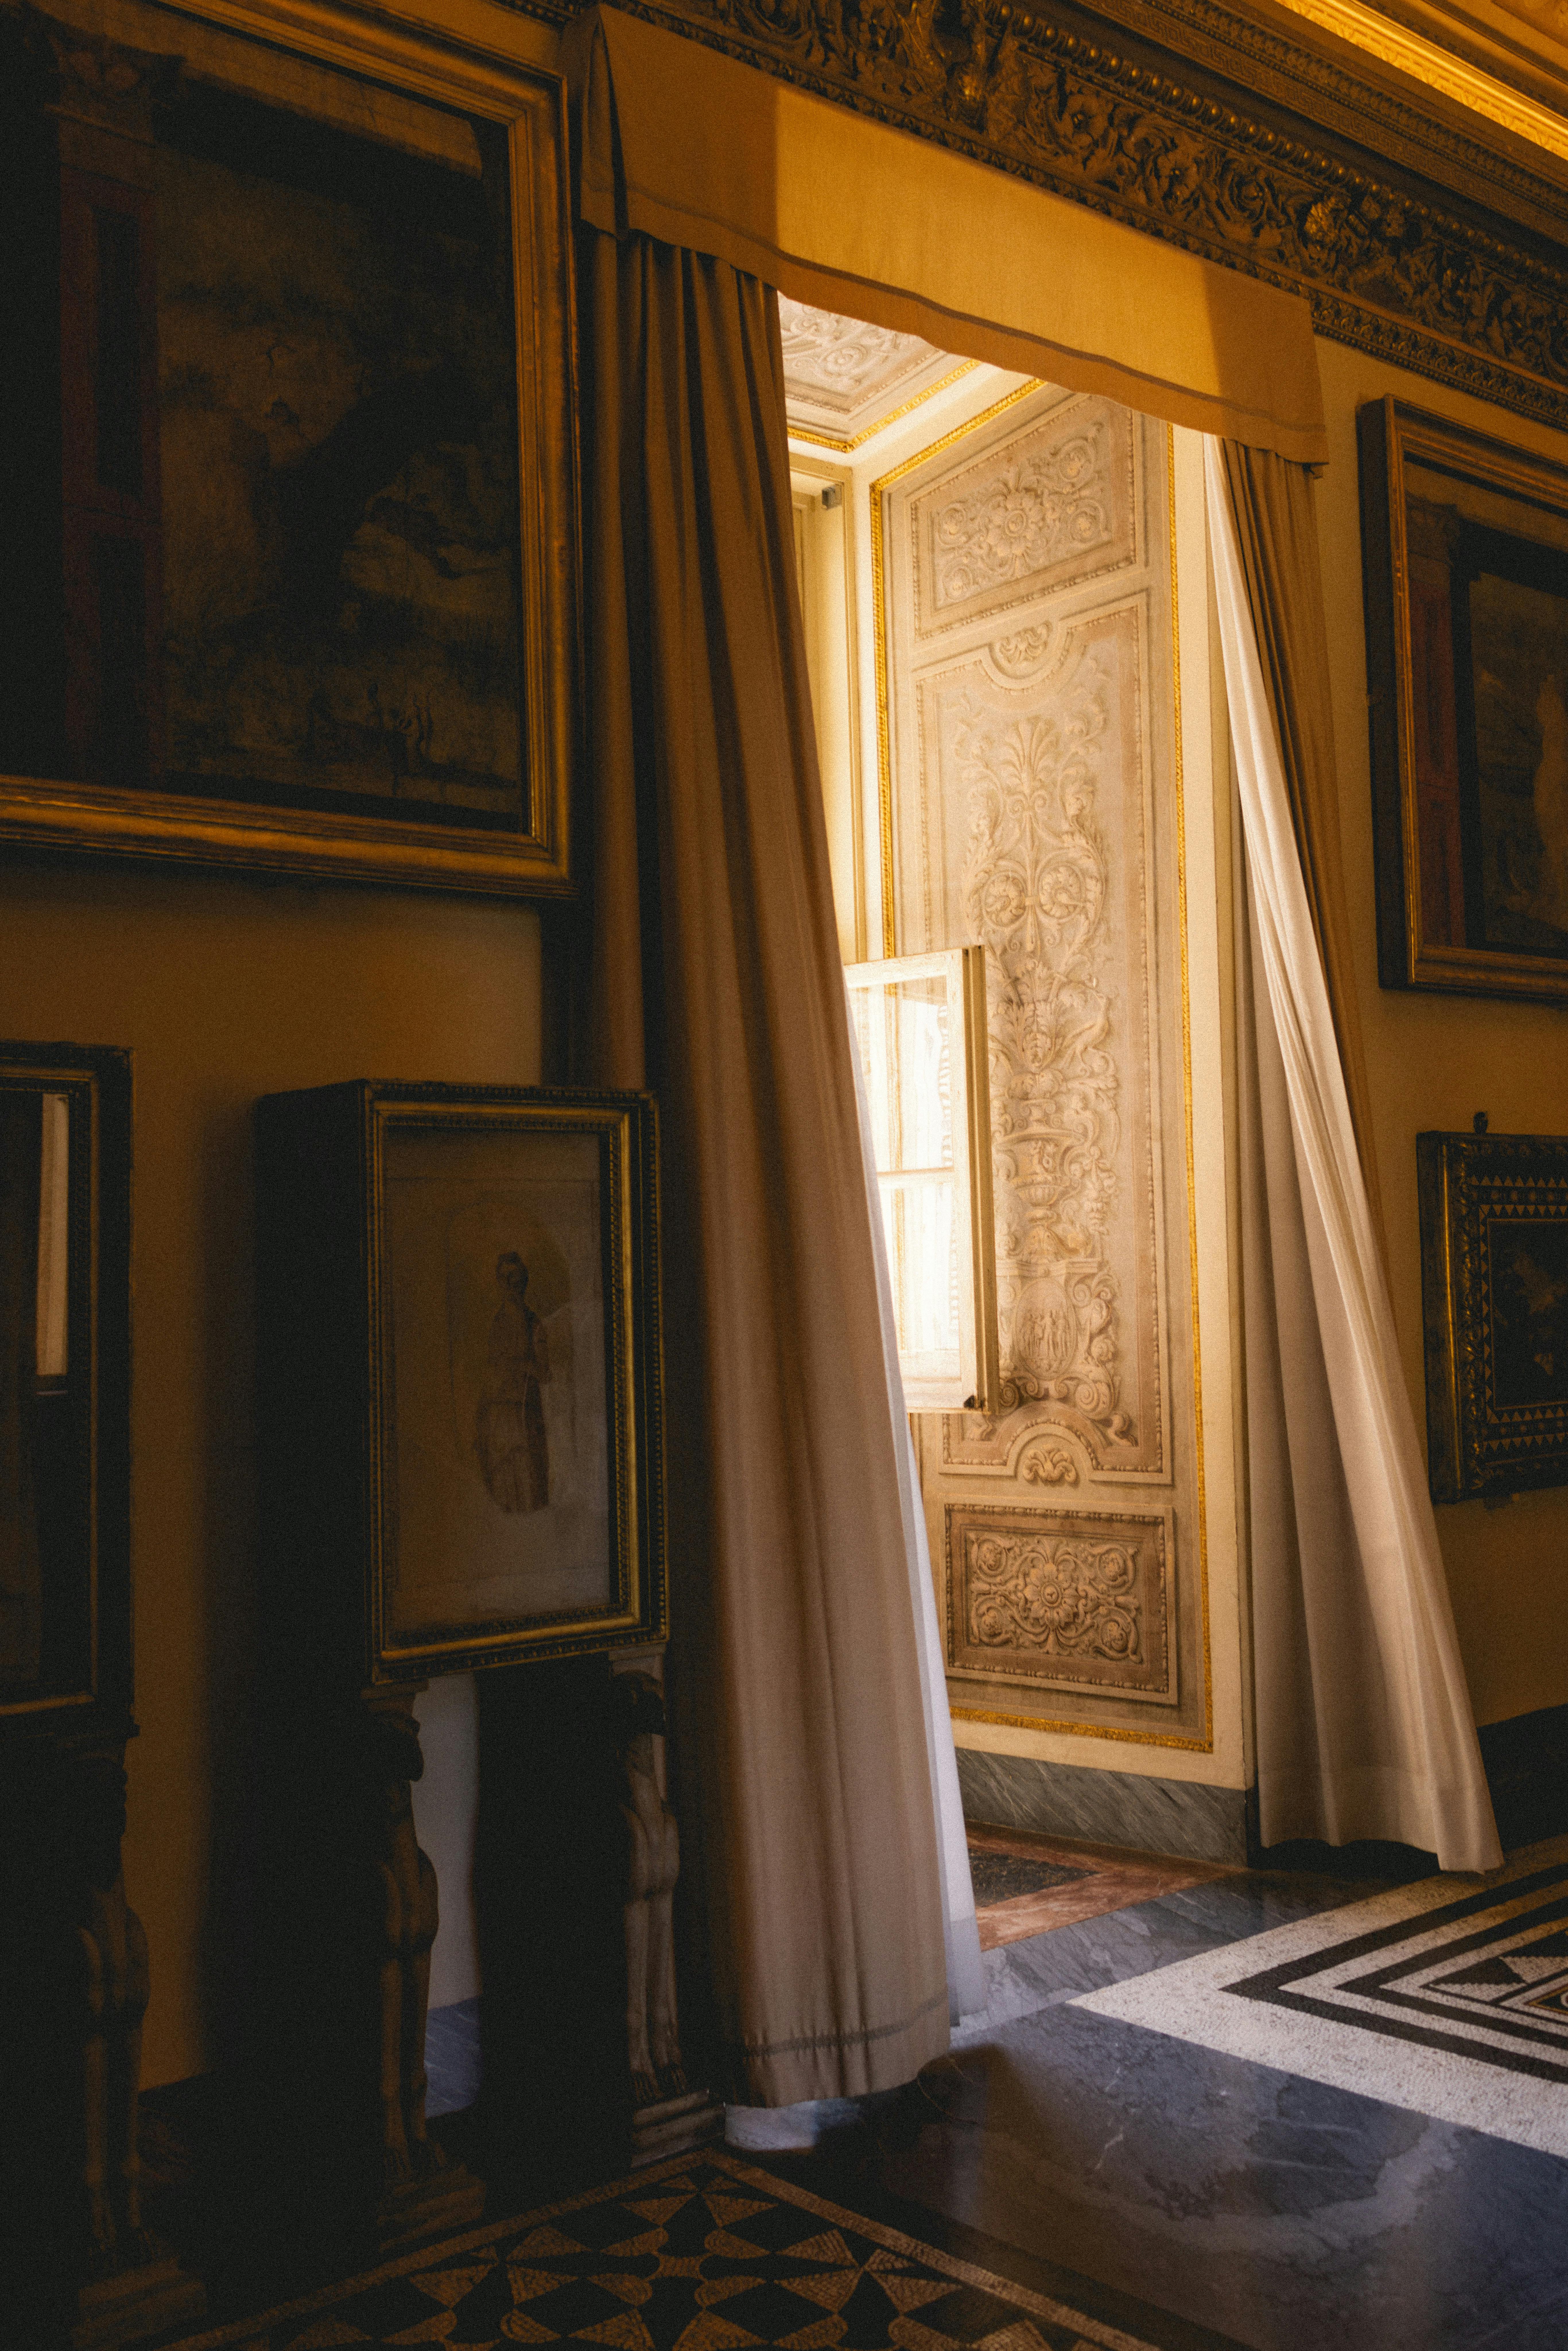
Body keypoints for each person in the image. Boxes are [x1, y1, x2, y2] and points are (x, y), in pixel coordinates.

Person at [474, 1252, 550, 1512]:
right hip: (500, 1417)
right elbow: (491, 1371)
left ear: (523, 1282)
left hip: (524, 1415)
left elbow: (545, 1373)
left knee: (528, 1487)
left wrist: (524, 1366)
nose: (511, 1284)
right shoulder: (497, 1324)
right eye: (505, 1279)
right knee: (503, 1487)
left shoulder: (534, 1324)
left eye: (515, 1278)